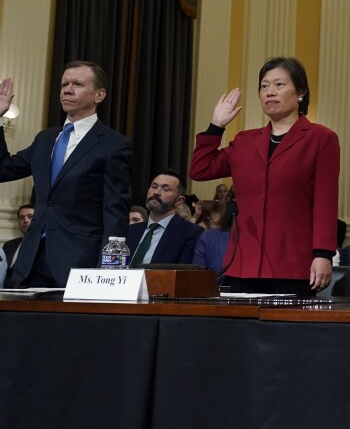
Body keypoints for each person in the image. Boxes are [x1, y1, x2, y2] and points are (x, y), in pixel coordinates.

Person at [189, 57, 339, 295]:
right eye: (264, 86)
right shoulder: (245, 141)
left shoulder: (321, 138)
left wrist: (323, 254)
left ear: (300, 91)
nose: (270, 92)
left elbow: (325, 202)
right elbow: (200, 169)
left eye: (279, 85)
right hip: (243, 263)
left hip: (293, 263)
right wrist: (216, 125)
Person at [0, 63, 132, 287]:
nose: (67, 90)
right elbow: (3, 169)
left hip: (79, 261)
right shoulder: (45, 139)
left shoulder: (114, 145)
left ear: (99, 95)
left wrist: (108, 270)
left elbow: (115, 212)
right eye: (64, 84)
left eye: (78, 84)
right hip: (31, 261)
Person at [127, 170, 204, 266]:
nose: (156, 192)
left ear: (179, 200)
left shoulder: (191, 233)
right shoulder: (130, 231)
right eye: (154, 187)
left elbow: (184, 276)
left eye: (166, 189)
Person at [2, 204, 34, 286]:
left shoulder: (47, 246)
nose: (26, 220)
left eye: (30, 216)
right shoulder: (9, 245)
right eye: (21, 217)